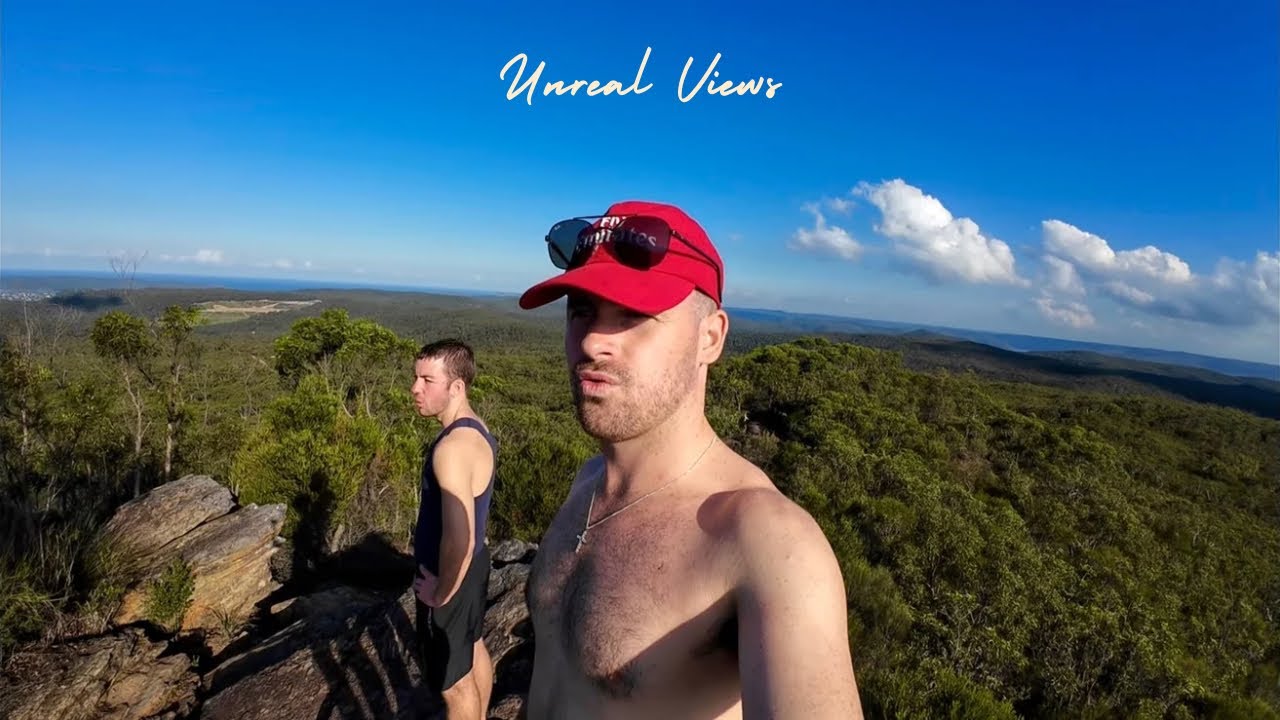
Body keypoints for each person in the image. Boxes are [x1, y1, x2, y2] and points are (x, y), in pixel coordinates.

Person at [516, 200, 864, 719]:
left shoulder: (765, 541)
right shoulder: (588, 482)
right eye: (581, 310)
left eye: (633, 315)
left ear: (710, 337)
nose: (591, 341)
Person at [410, 339, 498, 720]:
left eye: (427, 380)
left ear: (457, 386)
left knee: (454, 685)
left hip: (451, 573)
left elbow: (458, 537)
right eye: (416, 378)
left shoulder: (453, 447)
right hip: (475, 564)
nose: (415, 389)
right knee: (473, 644)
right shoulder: (476, 427)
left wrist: (441, 592)